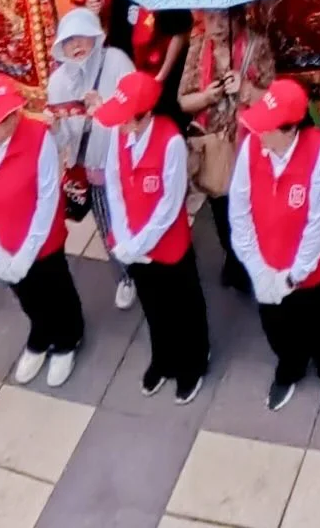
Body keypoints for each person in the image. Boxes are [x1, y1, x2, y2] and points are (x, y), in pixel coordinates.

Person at [231, 77, 320, 414]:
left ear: (289, 130)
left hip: (314, 271)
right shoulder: (252, 147)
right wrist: (259, 271)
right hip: (267, 268)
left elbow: (319, 223)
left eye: (268, 128)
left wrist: (292, 276)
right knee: (278, 327)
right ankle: (291, 367)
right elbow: (239, 211)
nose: (260, 134)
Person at [85, 70, 209, 397]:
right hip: (132, 239)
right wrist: (123, 236)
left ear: (145, 116)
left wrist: (139, 243)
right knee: (153, 304)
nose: (121, 128)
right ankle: (164, 358)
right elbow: (113, 181)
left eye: (127, 121)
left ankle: (194, 363)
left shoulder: (170, 143)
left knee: (185, 305)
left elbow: (170, 204)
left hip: (168, 243)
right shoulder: (120, 134)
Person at [0, 76, 86, 389]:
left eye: (14, 112)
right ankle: (41, 331)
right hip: (4, 243)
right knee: (26, 293)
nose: (12, 120)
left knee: (56, 287)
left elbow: (47, 198)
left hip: (43, 242)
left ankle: (69, 337)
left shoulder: (38, 138)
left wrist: (27, 252)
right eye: (3, 119)